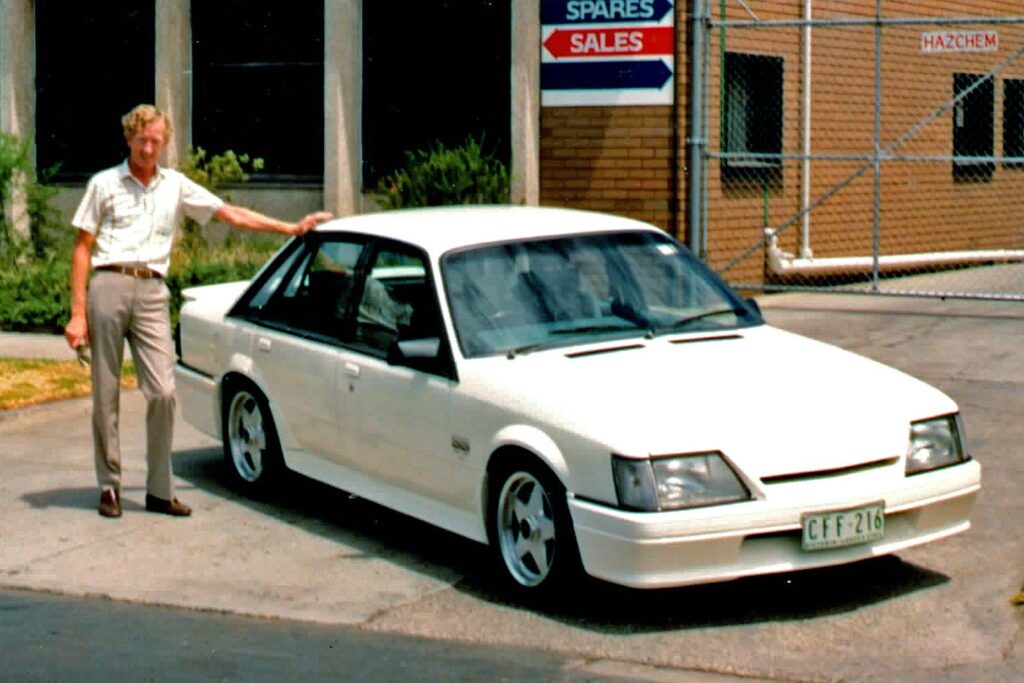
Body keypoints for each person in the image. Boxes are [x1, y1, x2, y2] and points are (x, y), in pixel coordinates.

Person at [64, 104, 332, 519]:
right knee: (106, 392)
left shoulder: (175, 185)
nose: (148, 148)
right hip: (109, 283)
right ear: (129, 139)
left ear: (164, 142)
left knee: (164, 393)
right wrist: (78, 313)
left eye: (156, 141)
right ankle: (110, 486)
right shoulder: (104, 184)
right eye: (142, 140)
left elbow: (229, 213)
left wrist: (290, 228)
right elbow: (82, 249)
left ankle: (158, 490)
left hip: (153, 289)